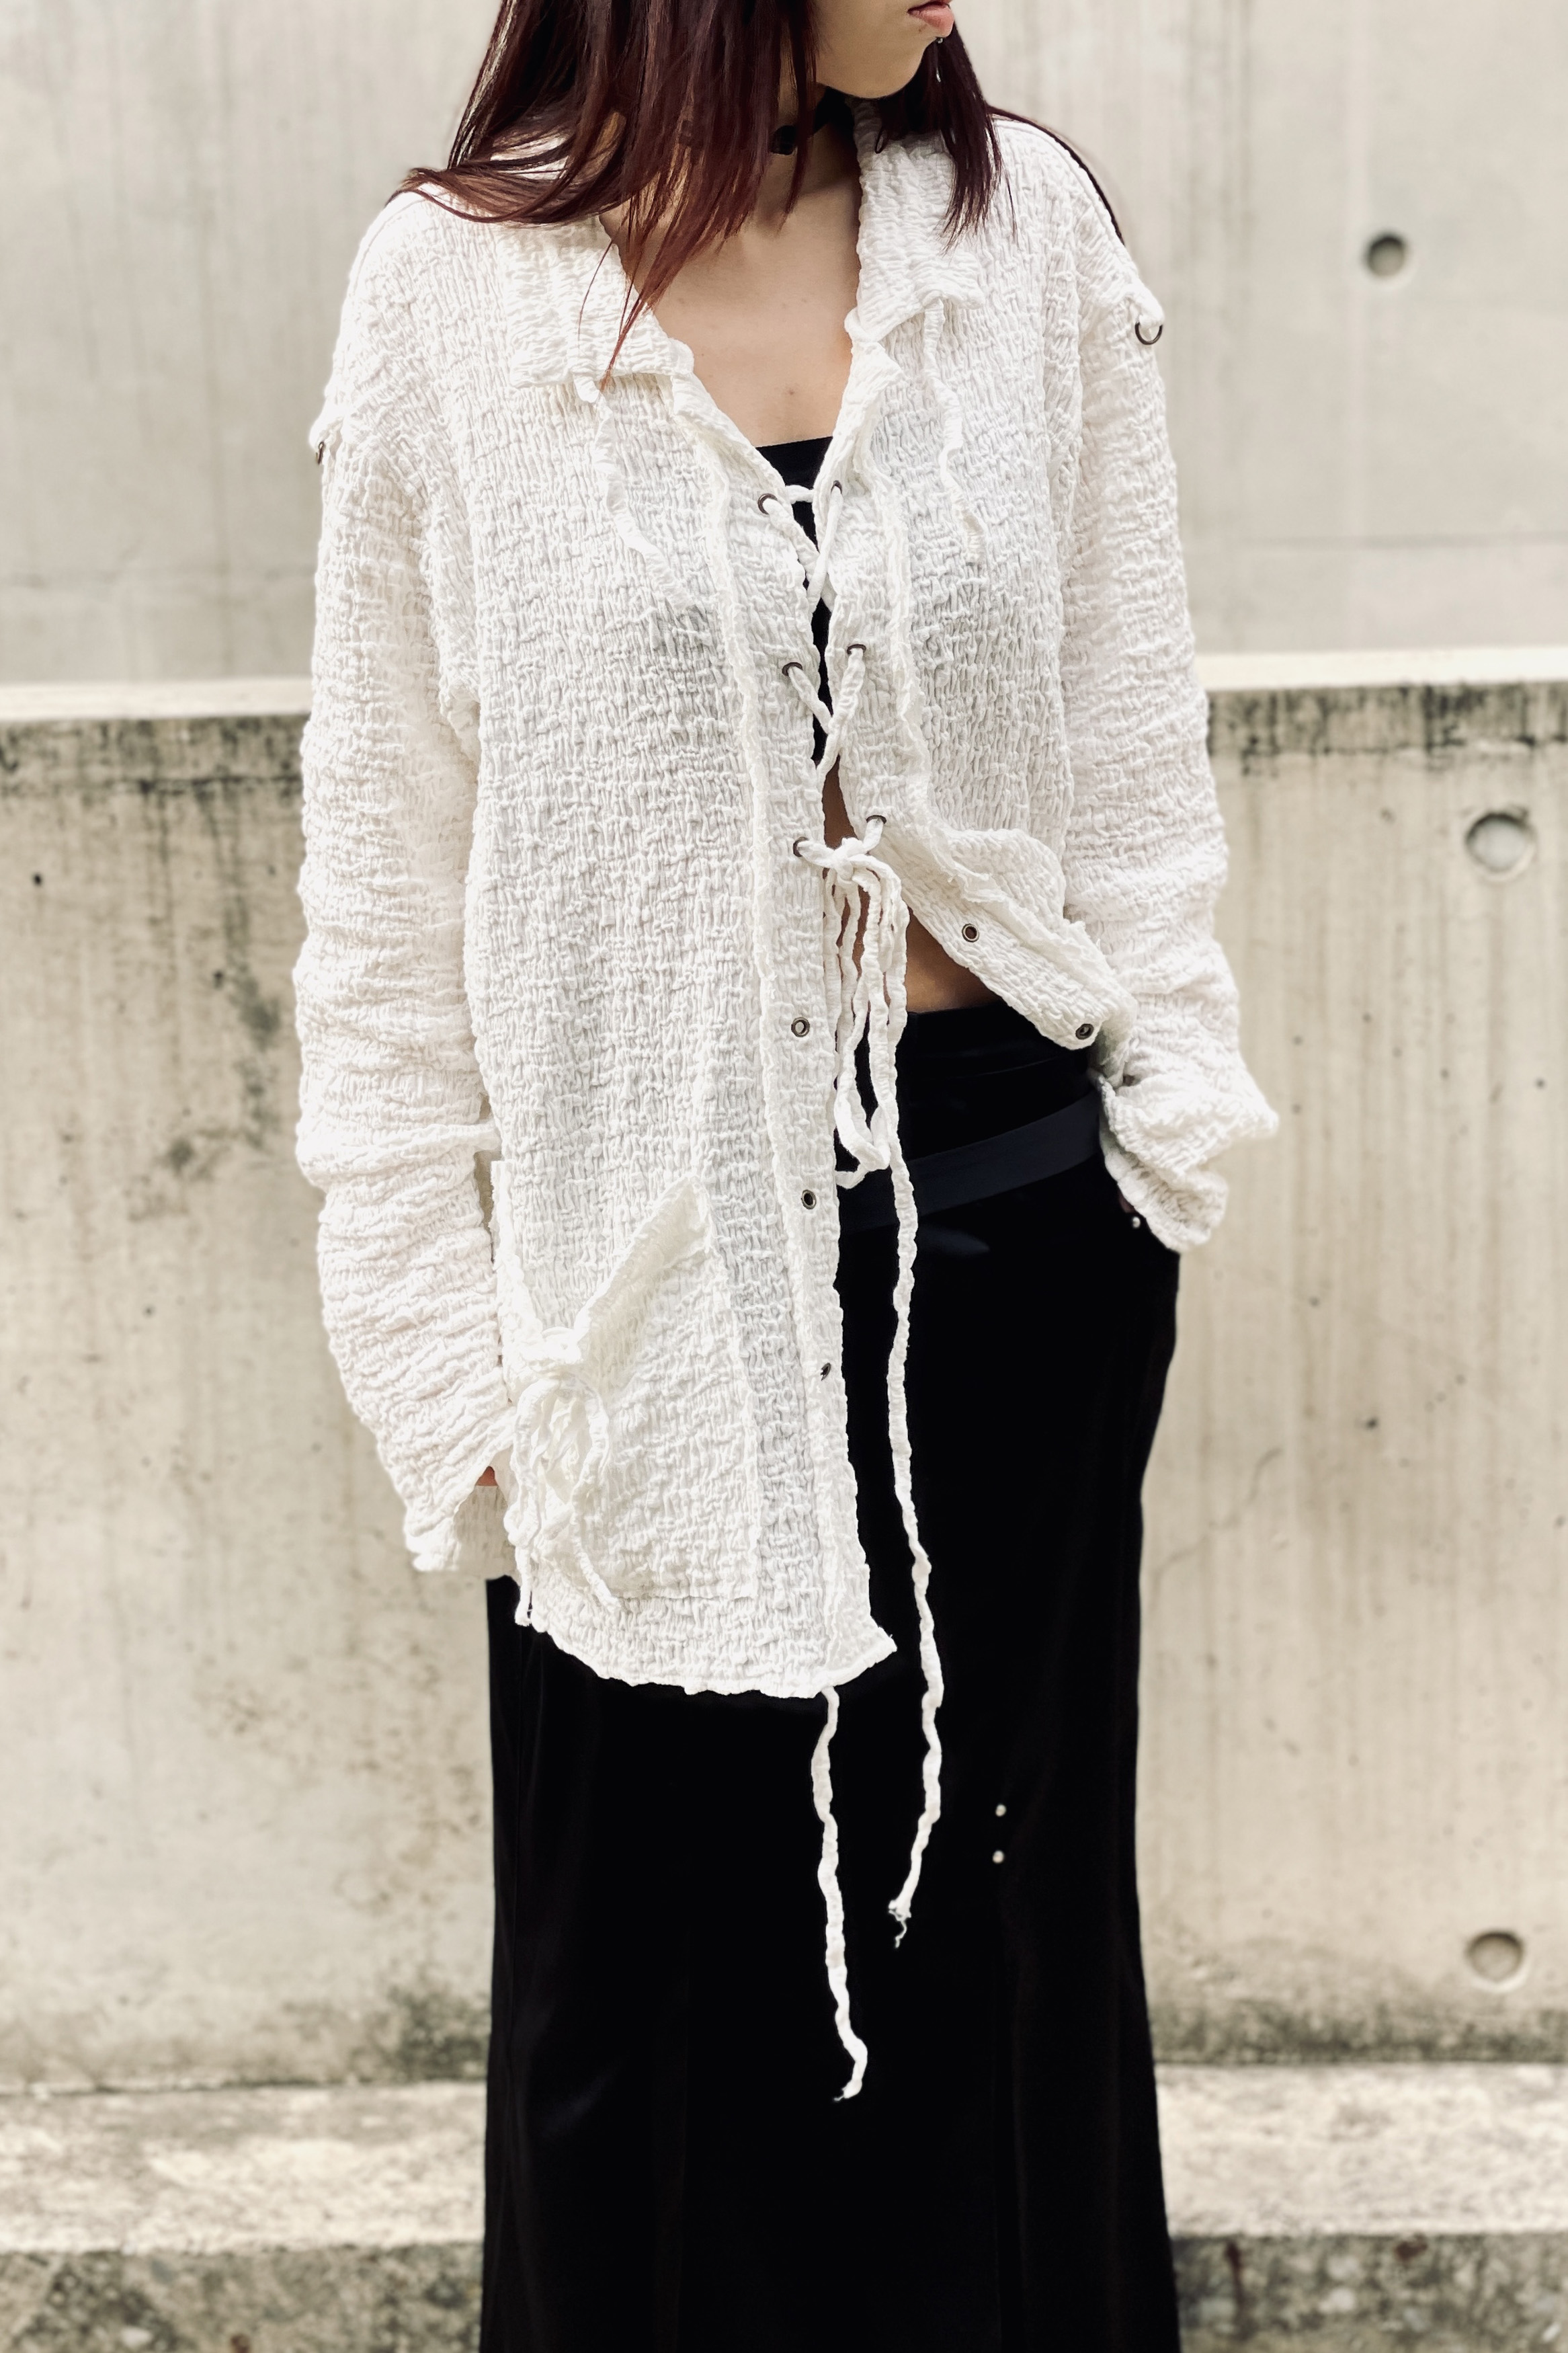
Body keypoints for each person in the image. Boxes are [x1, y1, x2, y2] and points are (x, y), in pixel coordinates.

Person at [294, 0, 1274, 2342]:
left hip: (1018, 1222)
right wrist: (441, 1344)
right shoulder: (449, 292)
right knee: (641, 1981)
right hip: (644, 1268)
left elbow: (1130, 734)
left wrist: (1158, 1125)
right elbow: (386, 868)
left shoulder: (1018, 236)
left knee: (1009, 1943)